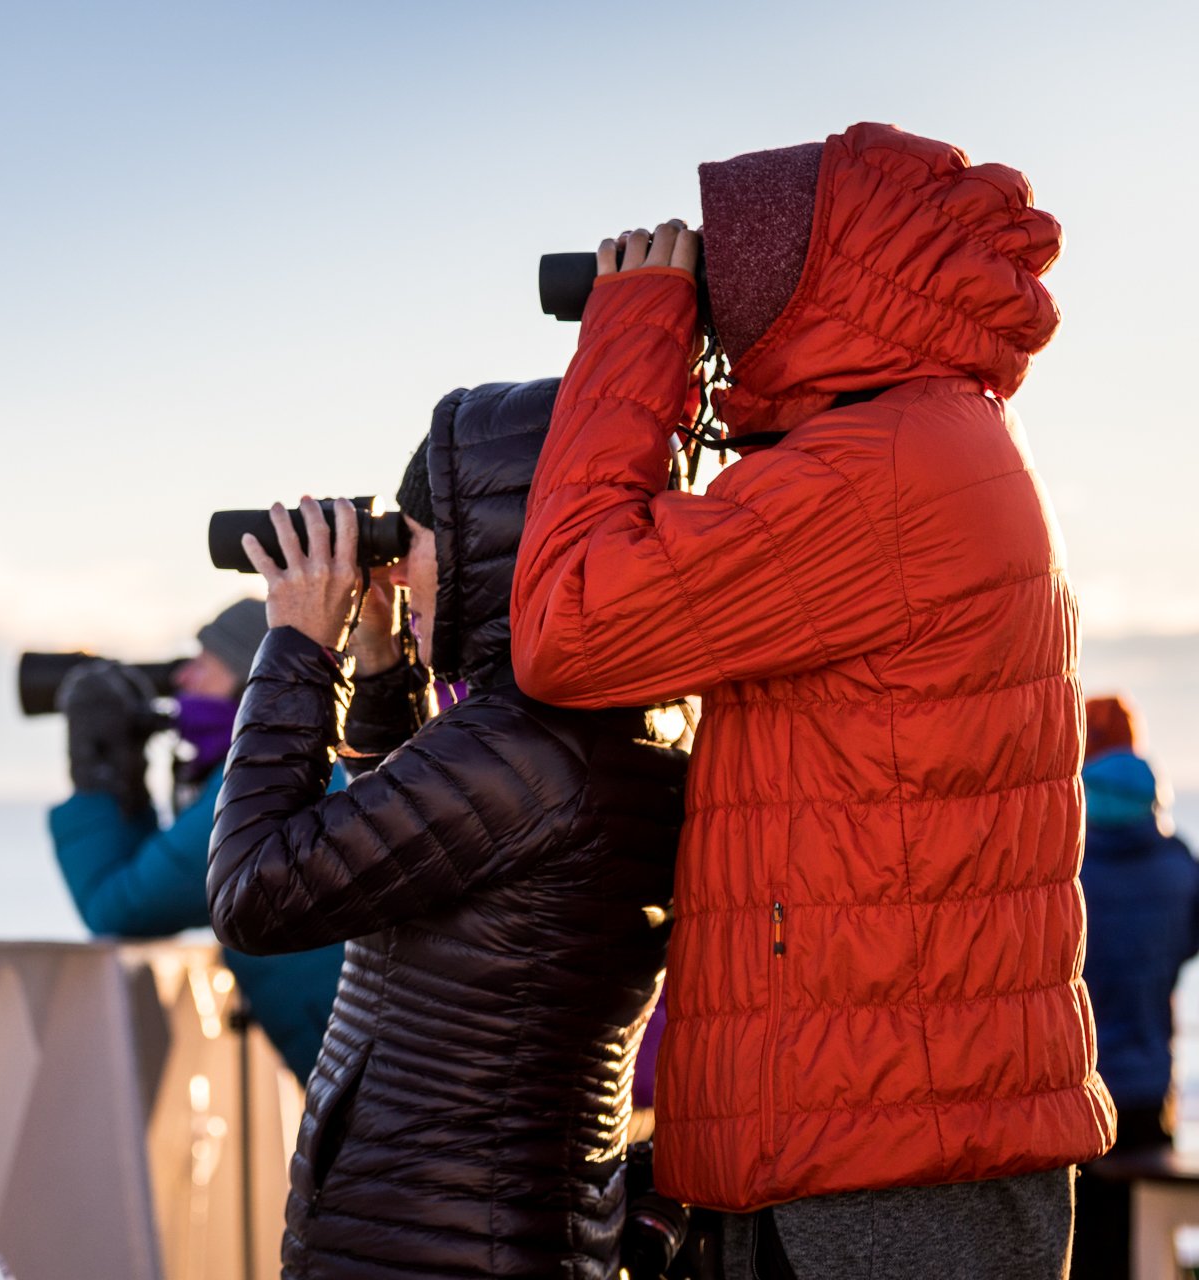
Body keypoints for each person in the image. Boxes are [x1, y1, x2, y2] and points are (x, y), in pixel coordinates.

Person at [510, 123, 1113, 1278]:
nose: (716, 293)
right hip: (879, 1135)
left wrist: (635, 331)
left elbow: (568, 627)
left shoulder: (884, 470)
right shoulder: (933, 441)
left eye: (737, 266)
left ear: (818, 285)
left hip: (880, 1170)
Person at [208, 383, 686, 1280]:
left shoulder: (531, 745)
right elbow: (423, 857)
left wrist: (299, 651)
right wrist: (384, 672)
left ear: (486, 552)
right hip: (482, 1228)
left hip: (438, 1244)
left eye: (415, 544)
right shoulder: (605, 728)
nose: (398, 570)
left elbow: (256, 893)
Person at [49, 599, 345, 1082]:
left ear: (254, 683)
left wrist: (99, 774)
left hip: (369, 1074)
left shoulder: (267, 783)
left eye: (205, 663)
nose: (183, 680)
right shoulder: (320, 762)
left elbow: (118, 908)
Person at [1072, 703, 1199, 1275]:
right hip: (1150, 1087)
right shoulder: (1180, 867)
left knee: (1080, 1247)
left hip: (1076, 1087)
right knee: (1137, 1249)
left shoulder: (1064, 869)